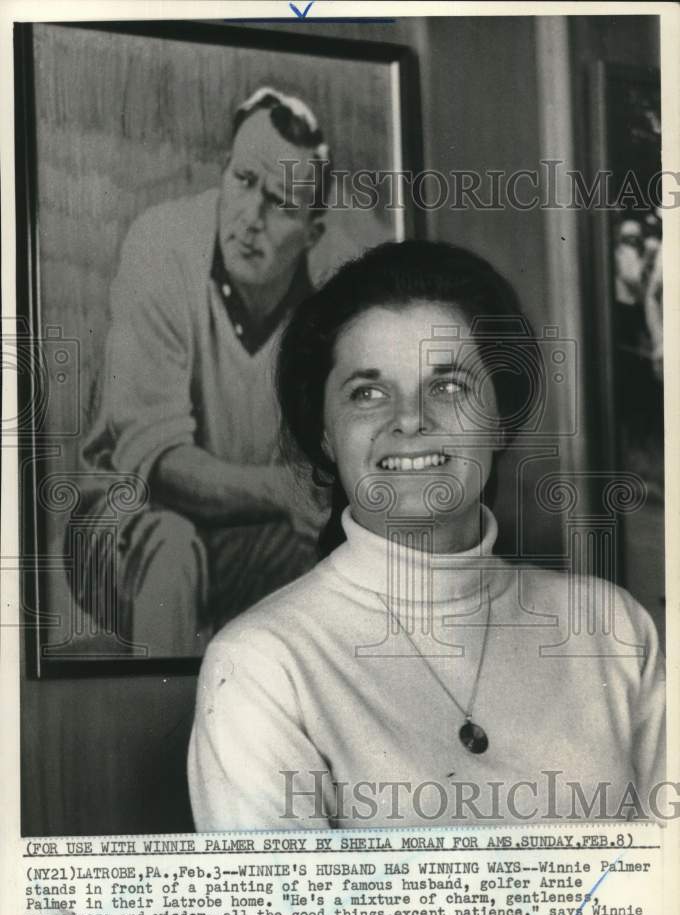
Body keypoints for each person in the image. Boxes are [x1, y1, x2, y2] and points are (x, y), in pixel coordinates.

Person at [188, 240, 666, 830]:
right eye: (368, 392)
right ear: (327, 435)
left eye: (448, 386)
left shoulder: (614, 630)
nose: (410, 418)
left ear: (501, 420)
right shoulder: (262, 666)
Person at [72, 88, 331, 657]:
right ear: (225, 171)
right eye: (242, 181)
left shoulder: (330, 305)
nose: (250, 218)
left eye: (283, 203)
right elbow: (159, 467)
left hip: (247, 534)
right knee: (172, 547)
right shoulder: (161, 245)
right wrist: (284, 489)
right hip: (125, 523)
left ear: (312, 231)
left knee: (336, 563)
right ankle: (169, 739)